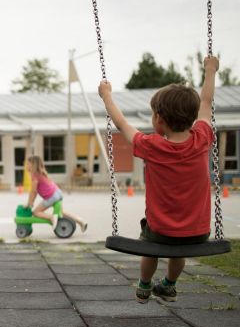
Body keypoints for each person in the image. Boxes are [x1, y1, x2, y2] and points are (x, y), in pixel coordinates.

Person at [98, 56, 220, 304]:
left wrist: (106, 96)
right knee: (179, 252)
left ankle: (144, 286)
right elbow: (207, 101)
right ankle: (169, 285)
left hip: (160, 232)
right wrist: (210, 70)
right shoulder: (202, 137)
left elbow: (121, 124)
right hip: (198, 233)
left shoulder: (151, 146)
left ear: (159, 120)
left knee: (149, 246)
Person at [25, 155, 88, 233]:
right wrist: (31, 202)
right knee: (61, 213)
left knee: (35, 212)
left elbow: (33, 191)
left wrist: (29, 204)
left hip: (51, 197)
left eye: (28, 164)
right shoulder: (42, 172)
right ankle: (81, 221)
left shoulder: (34, 175)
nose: (26, 165)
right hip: (57, 192)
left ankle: (51, 217)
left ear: (33, 165)